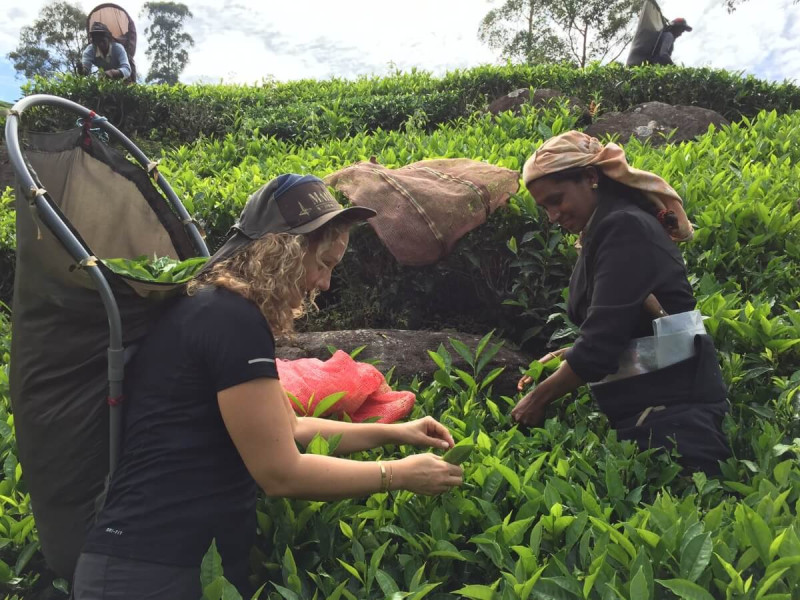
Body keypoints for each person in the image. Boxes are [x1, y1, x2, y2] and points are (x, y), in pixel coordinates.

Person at [72, 174, 463, 599]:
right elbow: (281, 473)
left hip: (162, 563)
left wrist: (397, 433)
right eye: (324, 264)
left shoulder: (215, 309)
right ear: (285, 252)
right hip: (150, 571)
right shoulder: (230, 320)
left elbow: (292, 427)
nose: (325, 283)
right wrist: (398, 475)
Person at [512, 131, 731, 475]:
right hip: (653, 412)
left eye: (557, 200)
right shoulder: (606, 226)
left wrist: (537, 400)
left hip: (674, 421)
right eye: (544, 207)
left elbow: (601, 345)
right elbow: (624, 323)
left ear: (590, 176)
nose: (553, 216)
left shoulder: (624, 226)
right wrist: (569, 353)